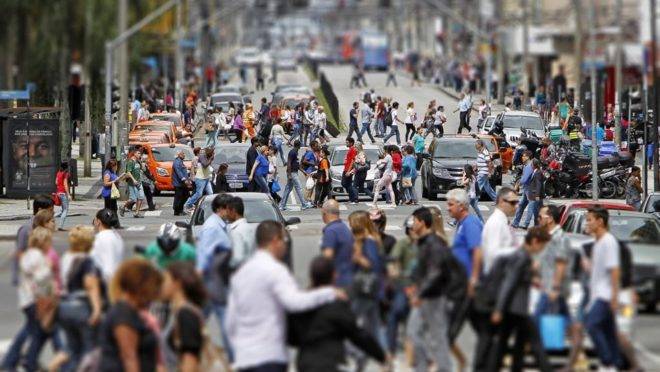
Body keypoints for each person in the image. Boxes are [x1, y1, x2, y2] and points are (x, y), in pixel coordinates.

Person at [226, 221, 346, 372]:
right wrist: (329, 292)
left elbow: (230, 320)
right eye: (283, 239)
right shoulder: (276, 270)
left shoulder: (241, 273)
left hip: (244, 357)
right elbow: (295, 302)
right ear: (275, 240)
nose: (285, 244)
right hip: (270, 355)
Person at [288, 256, 386, 372]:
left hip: (305, 363)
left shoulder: (302, 304)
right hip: (330, 363)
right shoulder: (337, 305)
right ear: (334, 275)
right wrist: (381, 356)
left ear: (311, 276)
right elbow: (357, 335)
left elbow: (291, 336)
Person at [408, 207, 465, 372]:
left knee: (438, 337)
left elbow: (435, 272)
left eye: (414, 221)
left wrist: (420, 292)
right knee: (415, 333)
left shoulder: (434, 243)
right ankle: (423, 367)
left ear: (422, 222)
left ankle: (443, 368)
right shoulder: (424, 242)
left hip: (434, 297)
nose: (411, 225)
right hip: (424, 296)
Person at [488, 227, 553, 372]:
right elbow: (509, 283)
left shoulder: (523, 256)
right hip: (516, 309)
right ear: (535, 242)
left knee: (511, 346)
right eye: (542, 246)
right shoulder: (522, 257)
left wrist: (532, 278)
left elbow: (517, 280)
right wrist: (498, 309)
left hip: (514, 309)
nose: (542, 250)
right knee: (535, 344)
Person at [3, 227, 57, 371]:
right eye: (48, 241)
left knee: (35, 331)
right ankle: (28, 362)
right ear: (42, 242)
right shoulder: (38, 257)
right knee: (40, 333)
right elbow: (41, 279)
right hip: (36, 300)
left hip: (26, 300)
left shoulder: (28, 255)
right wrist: (49, 268)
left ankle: (15, 361)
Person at [98, 258, 163, 371]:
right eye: (154, 289)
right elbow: (129, 358)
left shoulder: (127, 312)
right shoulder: (124, 314)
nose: (155, 296)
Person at [58, 225, 105, 372]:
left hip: (64, 306)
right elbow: (90, 286)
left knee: (72, 349)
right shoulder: (86, 260)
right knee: (88, 351)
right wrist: (97, 309)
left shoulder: (65, 257)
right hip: (81, 307)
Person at [584, 206, 623, 370]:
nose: (586, 223)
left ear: (600, 222)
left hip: (605, 295)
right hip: (598, 294)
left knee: (591, 325)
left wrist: (614, 297)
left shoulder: (608, 242)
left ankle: (607, 361)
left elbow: (614, 270)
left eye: (589, 220)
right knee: (608, 331)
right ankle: (614, 363)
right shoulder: (598, 242)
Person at [196, 194, 234, 360]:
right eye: (229, 208)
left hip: (216, 280)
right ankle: (235, 359)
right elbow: (204, 254)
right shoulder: (213, 227)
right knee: (225, 321)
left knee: (199, 318)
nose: (231, 211)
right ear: (221, 209)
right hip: (212, 282)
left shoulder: (219, 224)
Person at [160, 261, 208, 371]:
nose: (161, 285)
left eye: (165, 280)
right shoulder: (178, 312)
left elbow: (190, 359)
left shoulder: (186, 314)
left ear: (178, 283)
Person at [320, 199, 355, 288]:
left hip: (338, 280)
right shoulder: (344, 227)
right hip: (349, 275)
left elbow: (328, 256)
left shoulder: (331, 230)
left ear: (324, 213)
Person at [91, 208, 124, 282]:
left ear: (98, 222)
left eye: (94, 220)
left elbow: (109, 267)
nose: (93, 222)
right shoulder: (116, 236)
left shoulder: (102, 238)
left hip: (106, 283)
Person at [279, 140, 313, 210]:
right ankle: (304, 204)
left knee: (288, 189)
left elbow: (296, 164)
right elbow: (289, 163)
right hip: (292, 173)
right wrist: (289, 174)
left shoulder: (295, 152)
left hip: (294, 172)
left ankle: (282, 205)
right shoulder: (293, 152)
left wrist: (303, 172)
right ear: (299, 146)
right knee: (299, 188)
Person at [226, 196, 256, 268]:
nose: (226, 215)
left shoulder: (236, 231)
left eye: (227, 211)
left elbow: (237, 258)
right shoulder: (249, 228)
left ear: (233, 211)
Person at [185, 147, 214, 213]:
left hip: (206, 178)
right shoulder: (201, 157)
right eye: (212, 153)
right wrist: (210, 159)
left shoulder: (208, 157)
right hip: (200, 178)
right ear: (209, 153)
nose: (213, 155)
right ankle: (188, 204)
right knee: (199, 193)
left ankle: (210, 207)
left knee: (210, 193)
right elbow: (205, 165)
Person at [121, 150, 146, 218]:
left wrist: (143, 164)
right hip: (132, 183)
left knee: (141, 197)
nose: (139, 155)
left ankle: (137, 212)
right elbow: (128, 172)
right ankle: (123, 206)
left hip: (139, 182)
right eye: (138, 153)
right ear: (134, 153)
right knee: (133, 199)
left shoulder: (138, 161)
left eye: (140, 153)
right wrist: (134, 180)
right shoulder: (130, 162)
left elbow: (143, 170)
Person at [512, 150, 533, 228]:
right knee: (521, 205)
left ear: (527, 157)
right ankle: (515, 223)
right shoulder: (527, 165)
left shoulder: (529, 166)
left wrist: (517, 184)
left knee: (531, 207)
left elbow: (524, 179)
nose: (522, 157)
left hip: (530, 189)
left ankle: (526, 224)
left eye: (524, 156)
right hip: (527, 189)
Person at [172, 149, 191, 216]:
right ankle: (177, 211)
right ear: (179, 155)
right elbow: (178, 172)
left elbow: (182, 169)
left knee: (185, 196)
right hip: (179, 183)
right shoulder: (177, 162)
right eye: (183, 154)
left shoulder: (180, 161)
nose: (184, 155)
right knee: (179, 197)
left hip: (182, 183)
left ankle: (180, 209)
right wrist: (184, 179)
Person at [341, 137, 359, 204]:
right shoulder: (350, 149)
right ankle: (352, 199)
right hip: (346, 168)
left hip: (349, 169)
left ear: (351, 143)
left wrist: (349, 170)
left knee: (345, 183)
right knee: (347, 184)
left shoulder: (353, 150)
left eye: (347, 142)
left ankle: (354, 198)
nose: (346, 143)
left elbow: (353, 160)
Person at [54, 162, 70, 231]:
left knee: (62, 209)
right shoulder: (65, 174)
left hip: (58, 193)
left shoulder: (58, 173)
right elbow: (65, 184)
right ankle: (60, 226)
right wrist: (68, 194)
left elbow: (56, 182)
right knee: (65, 210)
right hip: (63, 193)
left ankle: (52, 217)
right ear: (66, 167)